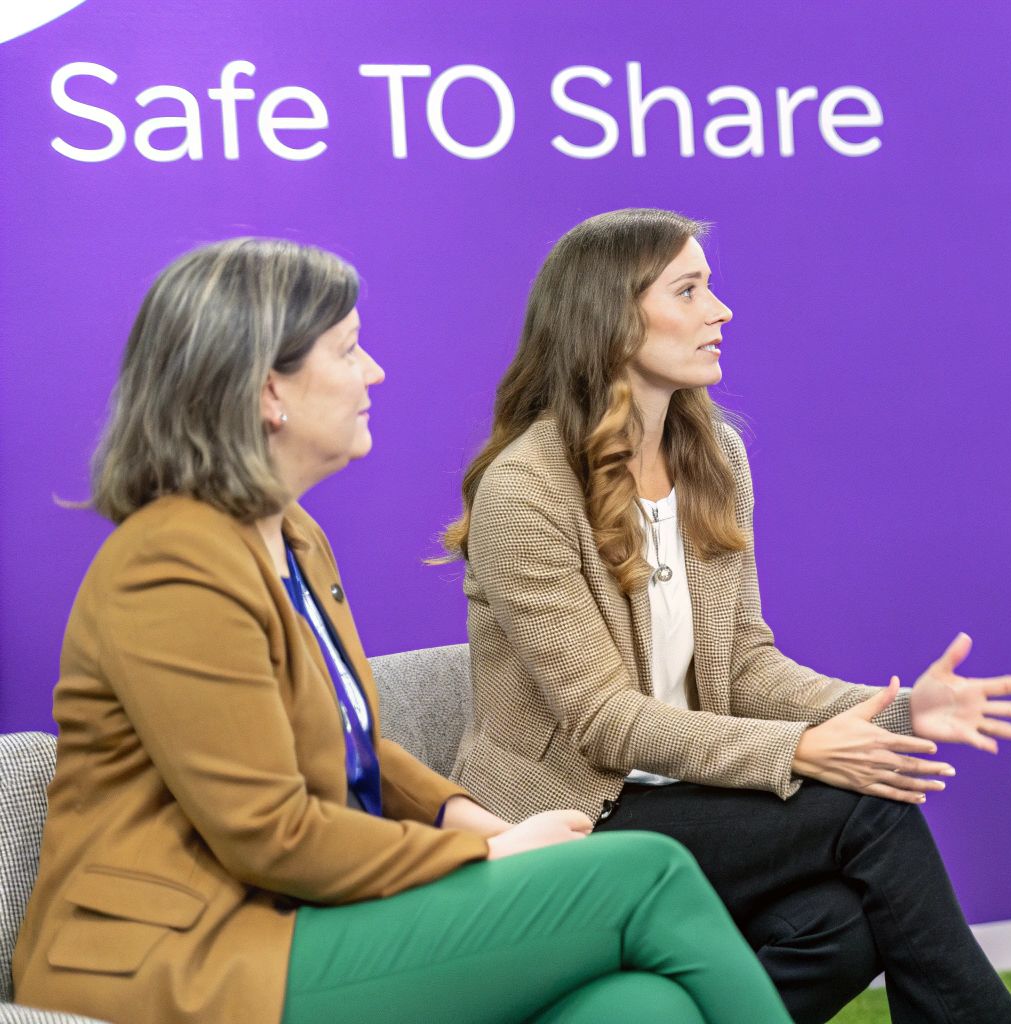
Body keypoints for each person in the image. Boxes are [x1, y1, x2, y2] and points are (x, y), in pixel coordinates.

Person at [13, 238, 791, 1024]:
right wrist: (485, 855)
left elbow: (342, 738)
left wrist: (472, 817)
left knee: (637, 1006)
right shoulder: (169, 567)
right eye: (348, 350)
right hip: (178, 956)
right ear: (266, 390)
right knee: (648, 871)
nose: (375, 371)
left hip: (295, 920)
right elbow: (269, 835)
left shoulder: (293, 537)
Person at [443, 208, 1011, 1024]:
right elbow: (604, 722)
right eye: (688, 291)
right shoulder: (526, 489)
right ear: (611, 318)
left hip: (689, 789)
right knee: (871, 804)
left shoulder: (713, 457)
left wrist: (904, 710)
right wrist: (799, 750)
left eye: (710, 288)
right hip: (577, 811)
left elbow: (745, 663)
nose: (719, 311)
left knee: (833, 930)